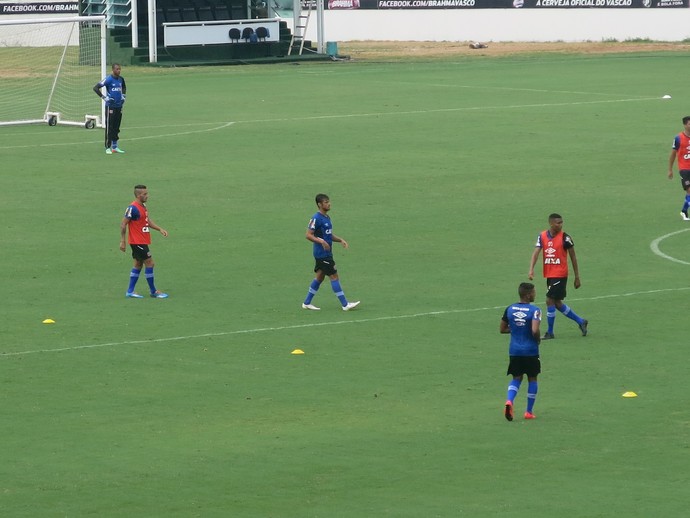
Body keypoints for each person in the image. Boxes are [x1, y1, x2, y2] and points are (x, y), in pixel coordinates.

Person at [528, 213, 588, 339]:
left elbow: (573, 257)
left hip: (560, 274)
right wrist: (531, 269)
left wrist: (577, 277)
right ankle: (581, 321)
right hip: (549, 274)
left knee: (549, 300)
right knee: (557, 303)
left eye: (561, 222)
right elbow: (536, 253)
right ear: (551, 223)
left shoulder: (565, 238)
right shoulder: (543, 236)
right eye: (558, 223)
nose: (560, 225)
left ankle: (550, 332)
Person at [302, 194, 360, 311]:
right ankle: (345, 304)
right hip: (322, 254)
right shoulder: (316, 218)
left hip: (326, 253)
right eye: (326, 202)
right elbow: (308, 235)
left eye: (329, 202)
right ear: (320, 204)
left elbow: (328, 235)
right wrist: (321, 241)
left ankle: (306, 303)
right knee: (334, 276)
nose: (329, 204)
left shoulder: (327, 218)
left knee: (319, 277)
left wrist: (340, 240)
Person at [500, 282, 542, 421]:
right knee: (532, 379)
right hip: (530, 351)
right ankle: (528, 412)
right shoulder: (535, 310)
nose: (535, 294)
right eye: (534, 292)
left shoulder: (510, 308)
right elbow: (534, 330)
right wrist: (537, 339)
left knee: (516, 378)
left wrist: (517, 329)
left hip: (515, 351)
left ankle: (509, 401)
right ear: (528, 294)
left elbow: (502, 329)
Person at [120, 185, 169, 299]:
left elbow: (146, 221)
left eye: (147, 193)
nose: (147, 196)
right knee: (150, 263)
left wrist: (159, 229)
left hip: (141, 240)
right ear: (138, 195)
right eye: (145, 194)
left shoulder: (143, 206)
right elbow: (123, 224)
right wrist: (122, 241)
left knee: (138, 264)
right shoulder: (133, 208)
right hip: (137, 242)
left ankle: (130, 291)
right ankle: (153, 291)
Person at [93, 63, 127, 155]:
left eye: (120, 69)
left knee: (116, 127)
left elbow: (123, 87)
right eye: (117, 69)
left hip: (119, 106)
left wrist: (123, 96)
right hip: (110, 106)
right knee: (109, 127)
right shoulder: (108, 79)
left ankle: (115, 147)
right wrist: (104, 97)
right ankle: (108, 147)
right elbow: (96, 88)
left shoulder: (121, 79)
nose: (119, 71)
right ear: (113, 70)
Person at [667, 115, 690, 220]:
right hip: (684, 168)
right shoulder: (678, 138)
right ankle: (684, 212)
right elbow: (673, 155)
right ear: (685, 125)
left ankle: (684, 211)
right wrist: (670, 169)